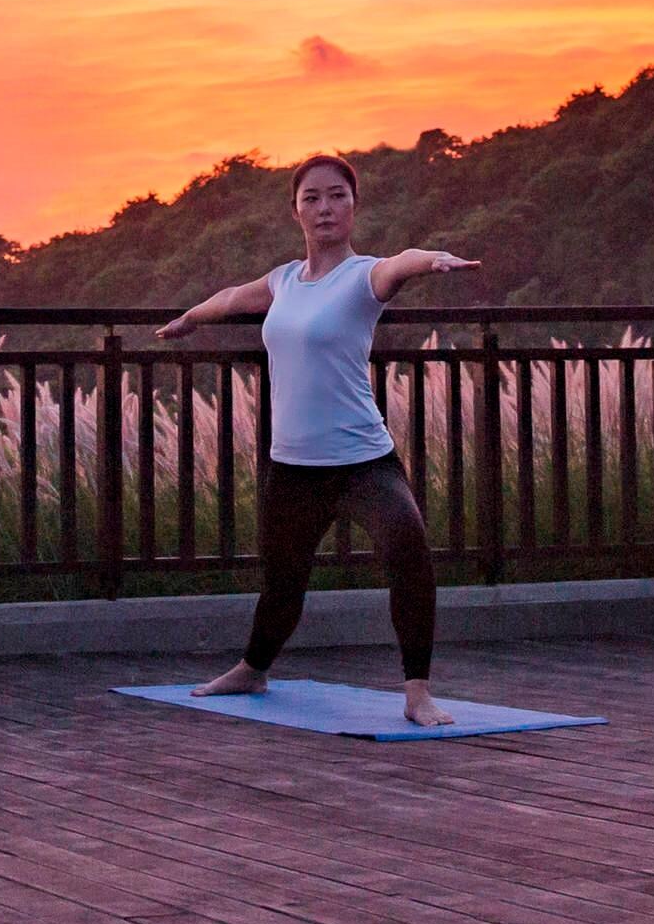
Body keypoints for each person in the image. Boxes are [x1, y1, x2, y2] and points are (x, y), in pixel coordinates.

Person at [157, 154, 480, 727]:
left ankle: (417, 692)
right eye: (312, 198)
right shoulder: (282, 281)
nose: (325, 207)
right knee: (283, 581)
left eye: (337, 196)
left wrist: (433, 260)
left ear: (354, 207)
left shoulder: (364, 277)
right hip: (293, 466)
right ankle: (253, 668)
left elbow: (399, 264)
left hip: (362, 461)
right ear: (296, 211)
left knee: (408, 550)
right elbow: (234, 297)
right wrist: (192, 317)